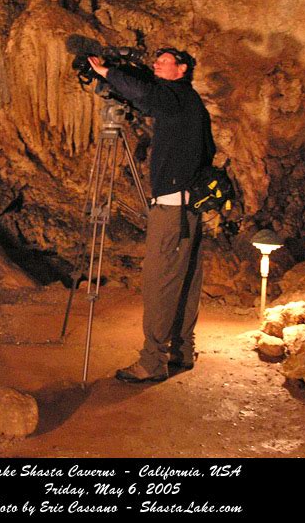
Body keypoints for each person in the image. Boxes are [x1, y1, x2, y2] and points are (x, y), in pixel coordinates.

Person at [88, 47, 215, 383]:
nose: (156, 64)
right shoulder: (191, 103)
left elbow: (145, 95)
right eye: (155, 61)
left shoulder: (173, 98)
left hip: (172, 208)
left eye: (164, 61)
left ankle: (152, 362)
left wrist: (106, 74)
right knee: (186, 279)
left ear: (182, 69)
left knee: (159, 283)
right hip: (189, 206)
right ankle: (181, 350)